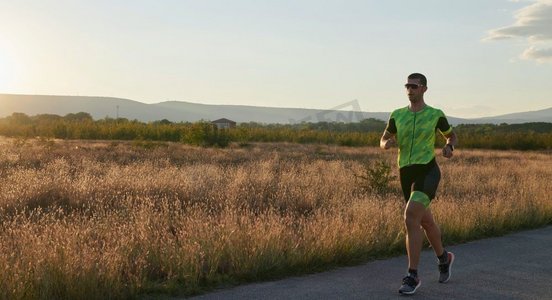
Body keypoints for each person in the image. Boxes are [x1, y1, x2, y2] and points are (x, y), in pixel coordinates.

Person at [380, 73, 458, 295]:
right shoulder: (396, 115)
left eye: (414, 86)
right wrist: (387, 143)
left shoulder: (435, 115)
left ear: (424, 89)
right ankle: (444, 258)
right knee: (425, 222)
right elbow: (383, 138)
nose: (409, 89)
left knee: (410, 216)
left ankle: (412, 276)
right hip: (406, 173)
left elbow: (451, 136)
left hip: (427, 170)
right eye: (407, 86)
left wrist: (449, 147)